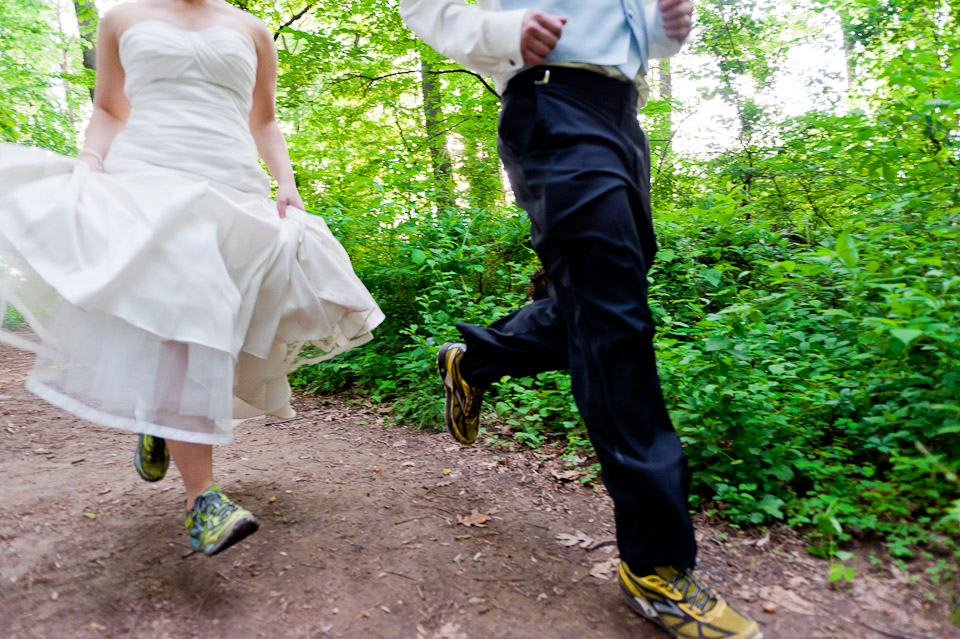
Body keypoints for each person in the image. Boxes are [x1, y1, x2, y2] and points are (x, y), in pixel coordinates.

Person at [399, 1, 762, 637]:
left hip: (623, 115)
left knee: (598, 308)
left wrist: (663, 29)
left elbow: (632, 31)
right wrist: (501, 33)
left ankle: (475, 361)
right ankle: (654, 564)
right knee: (615, 323)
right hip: (551, 102)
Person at [0, 0, 384, 556]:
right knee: (191, 312)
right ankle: (202, 498)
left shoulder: (251, 29)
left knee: (221, 322)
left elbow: (265, 120)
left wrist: (287, 183)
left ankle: (160, 416)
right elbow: (109, 110)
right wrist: (89, 159)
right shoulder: (121, 19)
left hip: (231, 184)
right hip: (147, 180)